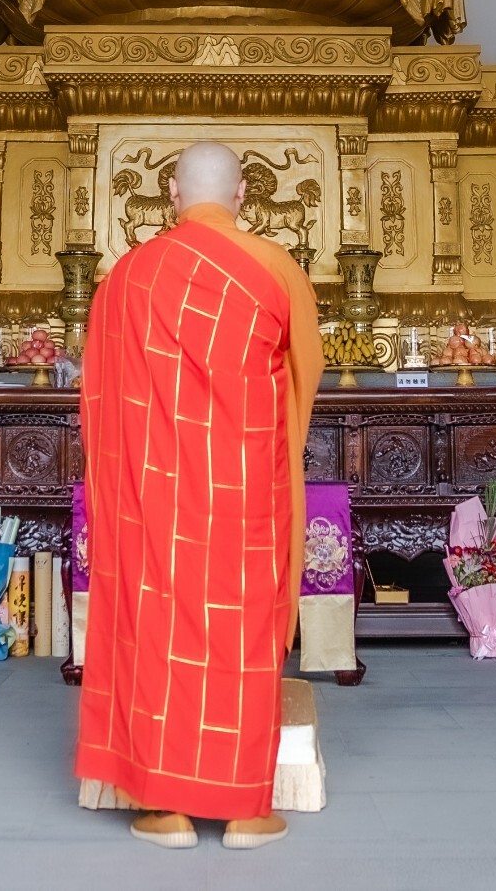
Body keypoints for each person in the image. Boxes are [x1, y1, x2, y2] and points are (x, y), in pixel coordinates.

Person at [75, 140, 326, 851]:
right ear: (243, 195)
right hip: (244, 486)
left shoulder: (125, 278)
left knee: (157, 626)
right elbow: (304, 378)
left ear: (173, 197)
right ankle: (247, 808)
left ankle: (166, 806)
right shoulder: (277, 267)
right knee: (243, 626)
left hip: (152, 489)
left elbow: (101, 397)